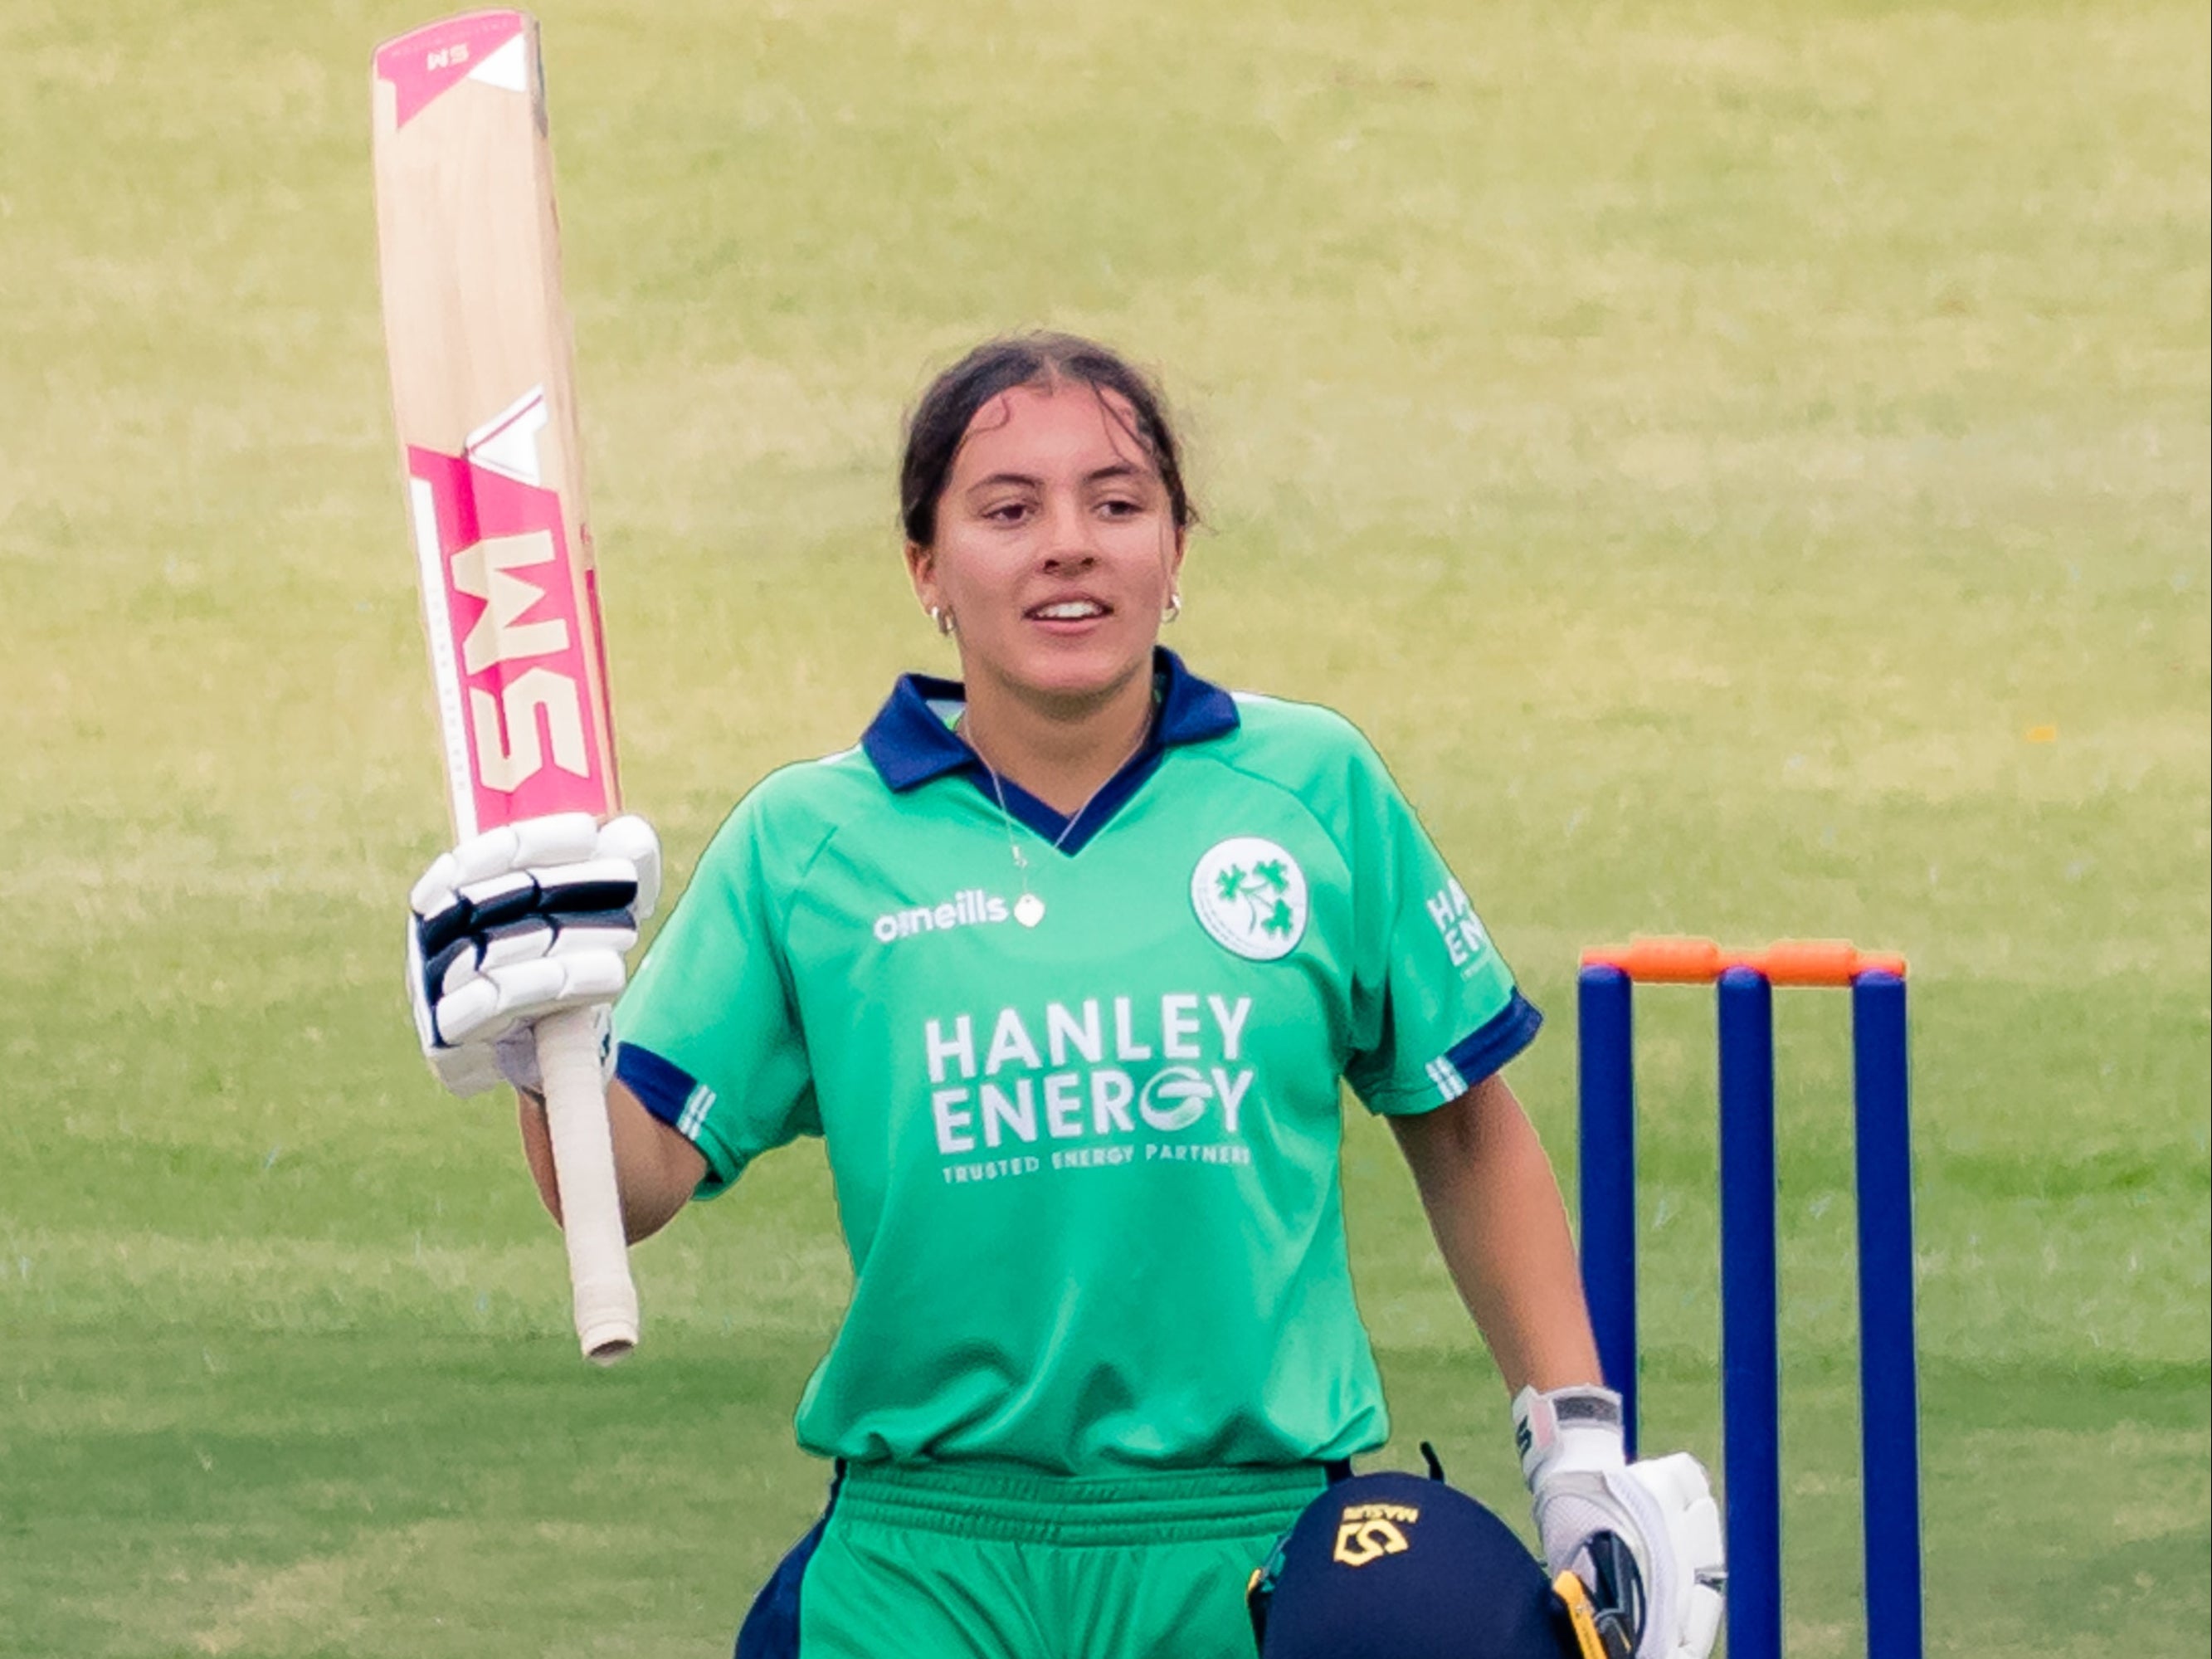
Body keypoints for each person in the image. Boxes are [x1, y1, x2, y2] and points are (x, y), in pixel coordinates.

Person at [405, 333, 1724, 1659]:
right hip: (924, 1563)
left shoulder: (1310, 791)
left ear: (1175, 550)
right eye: (1007, 510)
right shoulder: (810, 843)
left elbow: (1460, 1121)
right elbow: (621, 1194)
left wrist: (1575, 1446)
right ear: (925, 567)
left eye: (1115, 501)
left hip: (1247, 1554)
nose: (1068, 545)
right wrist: (538, 1047)